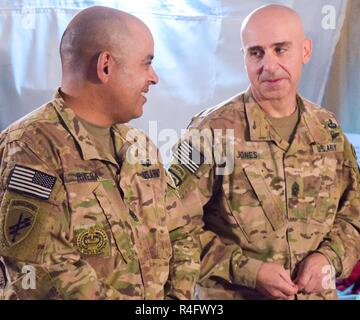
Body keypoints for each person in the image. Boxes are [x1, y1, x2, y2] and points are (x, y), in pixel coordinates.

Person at [0, 6, 200, 300]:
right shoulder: (31, 148)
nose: (154, 77)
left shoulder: (139, 146)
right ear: (105, 66)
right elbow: (36, 272)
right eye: (146, 64)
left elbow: (182, 233)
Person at [168, 4, 360, 300]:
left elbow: (354, 212)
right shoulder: (211, 132)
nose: (268, 66)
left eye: (281, 49)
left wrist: (329, 257)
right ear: (243, 57)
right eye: (256, 52)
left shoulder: (328, 129)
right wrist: (248, 270)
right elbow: (171, 225)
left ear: (305, 51)